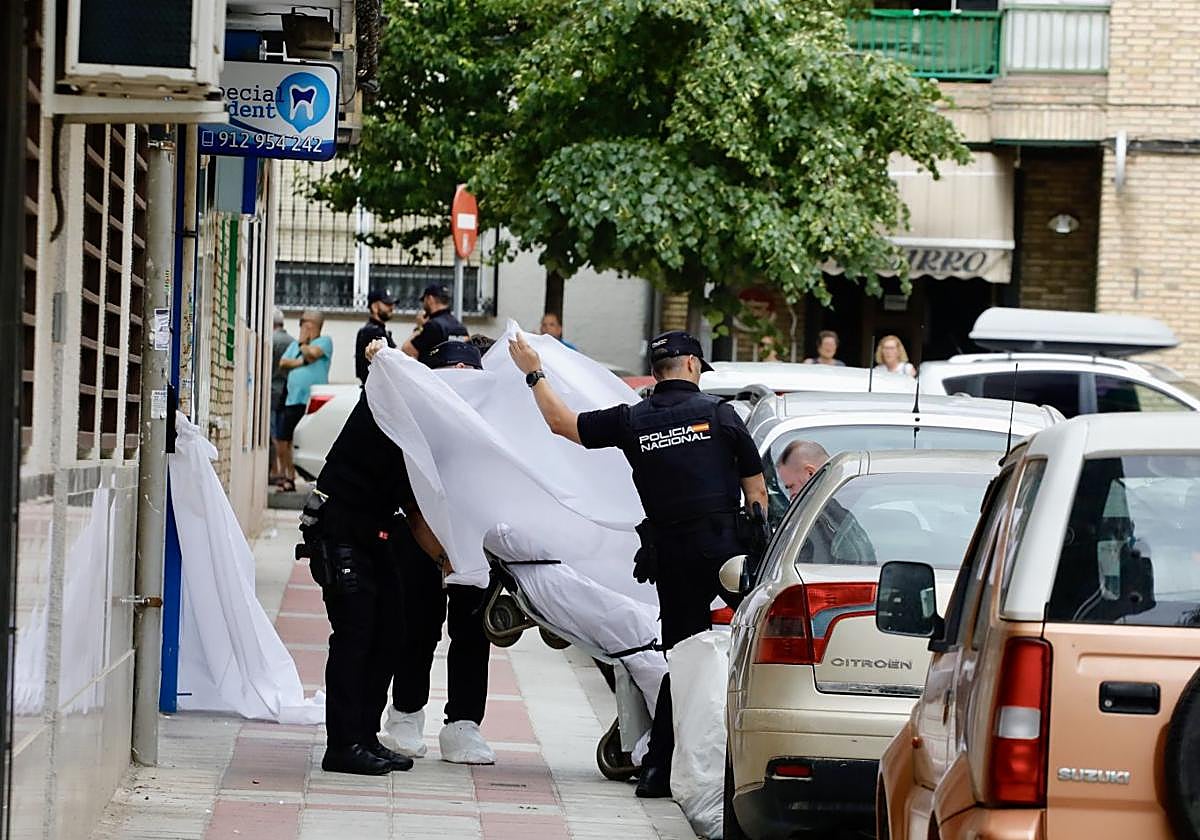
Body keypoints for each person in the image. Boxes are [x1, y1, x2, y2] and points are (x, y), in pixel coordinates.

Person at [507, 328, 769, 799]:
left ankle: (659, 768)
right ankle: (730, 766)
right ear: (692, 366)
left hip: (671, 553)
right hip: (727, 553)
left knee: (682, 656)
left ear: (655, 372)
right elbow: (757, 494)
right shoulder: (722, 417)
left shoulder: (634, 419)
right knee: (742, 655)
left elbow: (562, 423)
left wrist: (533, 373)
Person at [297, 384, 448, 775]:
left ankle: (364, 736)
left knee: (391, 632)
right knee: (355, 635)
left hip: (375, 532)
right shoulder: (393, 403)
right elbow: (416, 513)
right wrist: (448, 562)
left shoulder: (423, 416)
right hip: (341, 530)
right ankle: (343, 745)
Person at [378, 340, 496, 765]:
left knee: (472, 630)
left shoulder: (490, 425)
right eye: (452, 368)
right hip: (418, 534)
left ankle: (464, 722)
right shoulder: (412, 422)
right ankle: (405, 713)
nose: (462, 374)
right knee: (416, 625)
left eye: (470, 367)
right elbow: (409, 498)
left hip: (473, 538)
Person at [276, 311, 333, 492]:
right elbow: (283, 363)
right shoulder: (295, 345)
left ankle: (321, 481)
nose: (301, 328)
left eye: (304, 325)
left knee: (316, 440)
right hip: (293, 399)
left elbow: (312, 355)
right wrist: (301, 362)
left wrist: (303, 344)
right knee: (285, 439)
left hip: (313, 402)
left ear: (312, 326)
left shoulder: (325, 342)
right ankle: (289, 478)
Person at [403, 284, 468, 366]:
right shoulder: (460, 326)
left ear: (430, 299)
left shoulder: (432, 326)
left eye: (424, 300)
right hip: (456, 375)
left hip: (435, 375)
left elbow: (407, 349)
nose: (423, 305)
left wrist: (420, 328)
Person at [270, 309, 294, 485]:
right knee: (285, 433)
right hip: (288, 391)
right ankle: (286, 471)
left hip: (273, 389)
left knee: (275, 432)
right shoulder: (292, 342)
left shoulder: (272, 341)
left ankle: (277, 470)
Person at [355, 288, 396, 385]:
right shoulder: (372, 331)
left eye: (392, 304)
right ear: (374, 307)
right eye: (387, 304)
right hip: (375, 393)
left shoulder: (378, 330)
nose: (392, 307)